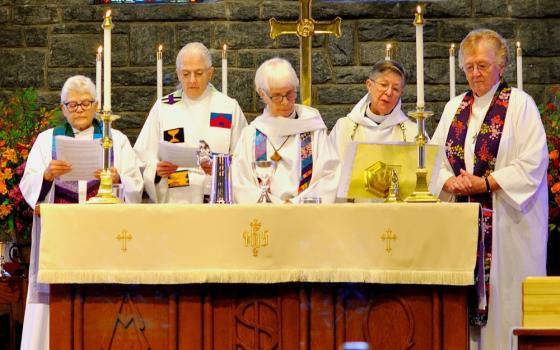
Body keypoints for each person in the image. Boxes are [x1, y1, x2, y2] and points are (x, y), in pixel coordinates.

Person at [429, 29, 548, 350]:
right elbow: (433, 158)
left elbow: (532, 162)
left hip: (507, 226)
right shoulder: (454, 107)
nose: (475, 73)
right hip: (462, 221)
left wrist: (485, 183)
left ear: (502, 65)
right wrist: (447, 181)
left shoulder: (521, 105)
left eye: (482, 65)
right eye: (469, 67)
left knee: (506, 304)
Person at [19, 75, 144, 349]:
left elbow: (136, 182)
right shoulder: (46, 140)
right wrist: (48, 175)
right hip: (61, 234)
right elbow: (29, 184)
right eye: (72, 104)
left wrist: (117, 175)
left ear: (96, 105)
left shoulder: (115, 139)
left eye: (85, 103)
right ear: (62, 108)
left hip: (104, 234)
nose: (79, 109)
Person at [133, 42, 247, 203]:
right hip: (175, 200)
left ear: (210, 73)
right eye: (186, 74)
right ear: (178, 74)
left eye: (199, 73)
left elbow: (245, 159)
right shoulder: (164, 107)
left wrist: (220, 168)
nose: (192, 80)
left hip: (215, 199)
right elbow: (141, 158)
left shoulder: (228, 107)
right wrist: (156, 171)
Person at [231, 57, 339, 204]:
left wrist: (295, 204)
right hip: (266, 218)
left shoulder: (313, 129)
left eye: (290, 94)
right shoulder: (251, 134)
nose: (286, 102)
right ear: (262, 94)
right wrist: (276, 205)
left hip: (306, 216)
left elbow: (329, 176)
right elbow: (240, 182)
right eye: (277, 96)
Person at [329, 60, 418, 159]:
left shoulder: (414, 133)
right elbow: (329, 170)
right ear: (369, 85)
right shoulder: (343, 128)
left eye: (395, 89)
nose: (389, 92)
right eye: (384, 85)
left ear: (401, 93)